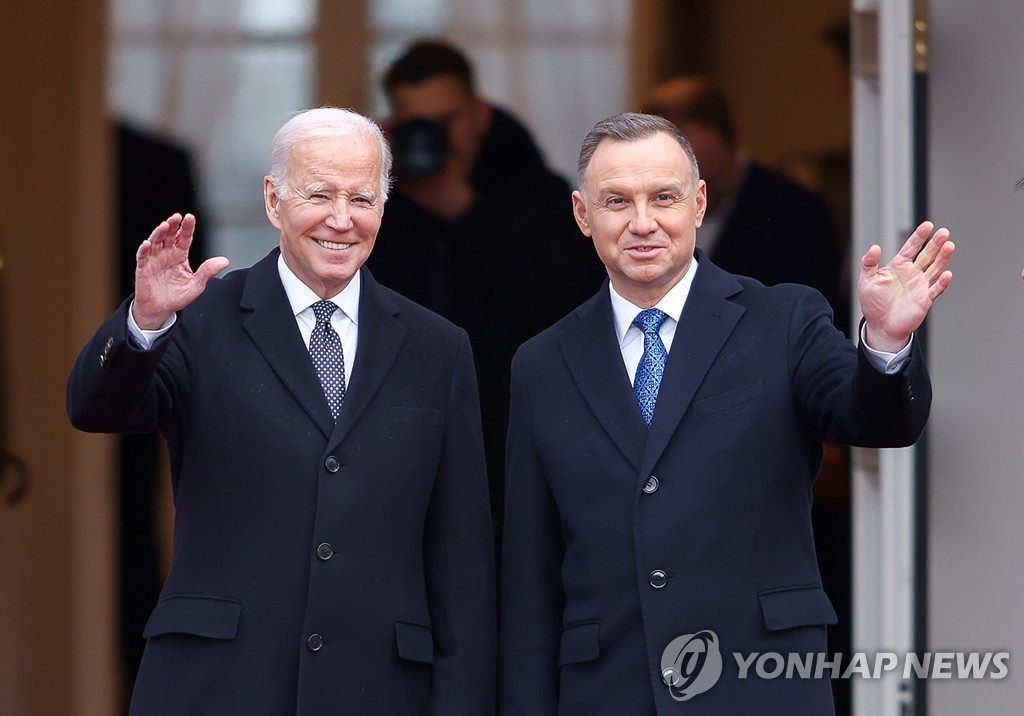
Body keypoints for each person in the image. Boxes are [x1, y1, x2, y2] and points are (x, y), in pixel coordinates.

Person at [499, 113, 954, 714]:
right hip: (609, 692)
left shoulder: (783, 320)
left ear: (699, 203)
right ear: (583, 215)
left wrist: (886, 343)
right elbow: (531, 580)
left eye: (664, 197)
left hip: (758, 683)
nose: (643, 223)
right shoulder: (542, 364)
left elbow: (874, 420)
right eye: (617, 201)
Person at [68, 108, 496, 715]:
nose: (341, 220)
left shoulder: (439, 348)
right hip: (217, 685)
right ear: (274, 201)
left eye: (362, 198)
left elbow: (463, 566)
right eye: (319, 194)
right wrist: (145, 321)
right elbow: (95, 407)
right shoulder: (201, 318)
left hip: (380, 691)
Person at [368, 39, 603, 544]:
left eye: (448, 120)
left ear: (480, 114)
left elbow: (567, 309)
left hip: (516, 456)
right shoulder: (375, 208)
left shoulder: (543, 197)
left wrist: (463, 210)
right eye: (418, 125)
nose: (436, 139)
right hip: (402, 456)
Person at [643, 76, 844, 321]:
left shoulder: (797, 213)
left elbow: (808, 318)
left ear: (734, 136)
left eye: (702, 175)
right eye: (670, 186)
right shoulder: (635, 217)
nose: (695, 197)